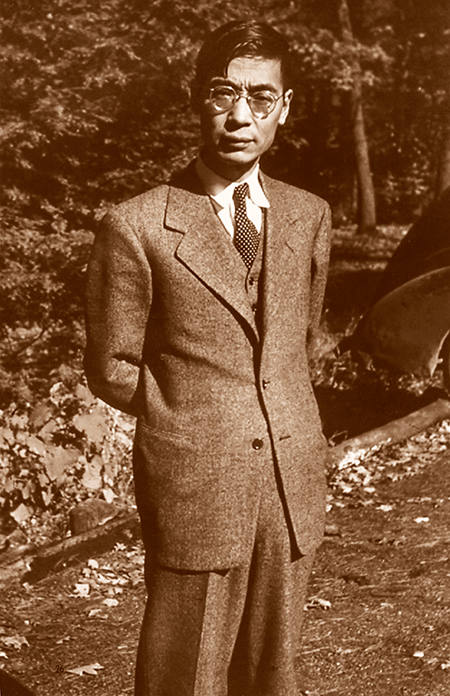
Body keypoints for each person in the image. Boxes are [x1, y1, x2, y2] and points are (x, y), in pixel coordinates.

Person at [84, 19, 331, 696]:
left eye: (260, 97)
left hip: (291, 481)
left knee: (273, 673)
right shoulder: (137, 225)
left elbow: (300, 340)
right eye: (224, 94)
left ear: (285, 108)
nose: (240, 117)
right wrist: (190, 414)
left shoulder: (309, 215)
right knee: (183, 676)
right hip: (195, 482)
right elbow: (110, 365)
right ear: (197, 99)